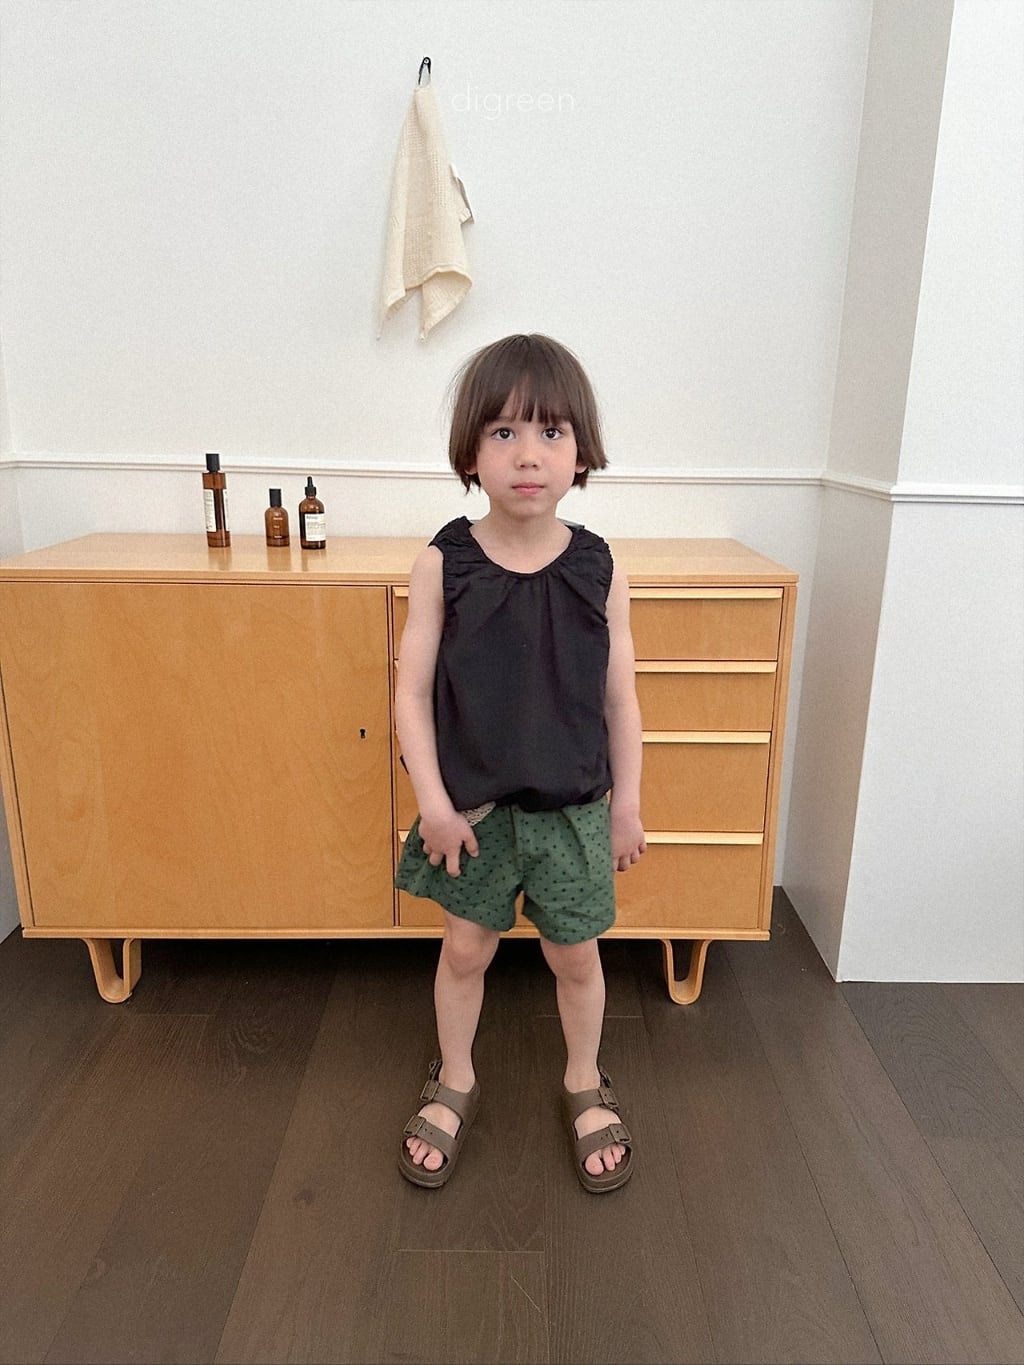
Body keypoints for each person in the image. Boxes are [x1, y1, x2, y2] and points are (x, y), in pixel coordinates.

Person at [394, 333, 646, 1193]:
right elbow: (410, 694)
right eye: (503, 432)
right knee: (465, 949)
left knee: (576, 956)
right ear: (471, 451)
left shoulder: (600, 568)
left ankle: (584, 1076)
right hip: (473, 815)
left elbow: (620, 701)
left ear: (581, 451)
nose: (528, 454)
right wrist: (433, 803)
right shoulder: (444, 562)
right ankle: (456, 1074)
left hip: (572, 813)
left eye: (550, 432)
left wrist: (626, 804)